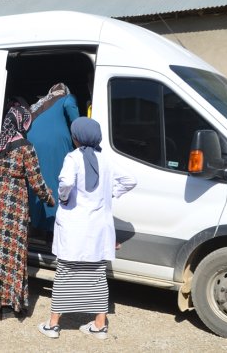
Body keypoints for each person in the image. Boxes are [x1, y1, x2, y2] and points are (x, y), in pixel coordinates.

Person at [37, 117, 137, 339]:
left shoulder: (72, 158)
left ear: (76, 137)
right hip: (98, 229)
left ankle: (53, 325)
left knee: (65, 273)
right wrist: (110, 193)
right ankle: (99, 326)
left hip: (75, 226)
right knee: (97, 275)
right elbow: (130, 180)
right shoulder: (106, 160)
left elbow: (66, 183)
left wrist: (64, 199)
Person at [0, 104, 55, 319]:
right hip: (14, 202)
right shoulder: (25, 146)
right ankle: (13, 304)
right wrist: (49, 199)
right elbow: (36, 181)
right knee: (14, 253)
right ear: (23, 123)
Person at [26, 83, 80, 240]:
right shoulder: (67, 98)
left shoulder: (39, 104)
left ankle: (35, 226)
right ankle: (52, 230)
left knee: (37, 183)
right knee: (56, 183)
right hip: (55, 147)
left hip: (33, 145)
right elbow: (75, 119)